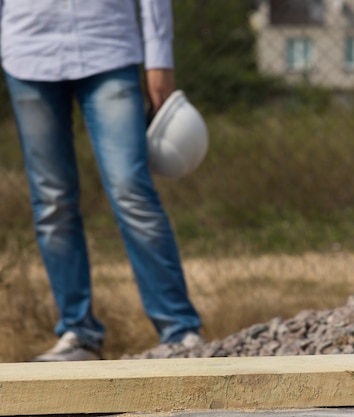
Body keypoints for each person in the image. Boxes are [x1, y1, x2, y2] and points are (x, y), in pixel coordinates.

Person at [0, 0, 204, 361]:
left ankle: (179, 331)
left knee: (131, 189)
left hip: (108, 47)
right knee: (51, 201)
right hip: (27, 49)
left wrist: (160, 58)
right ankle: (78, 333)